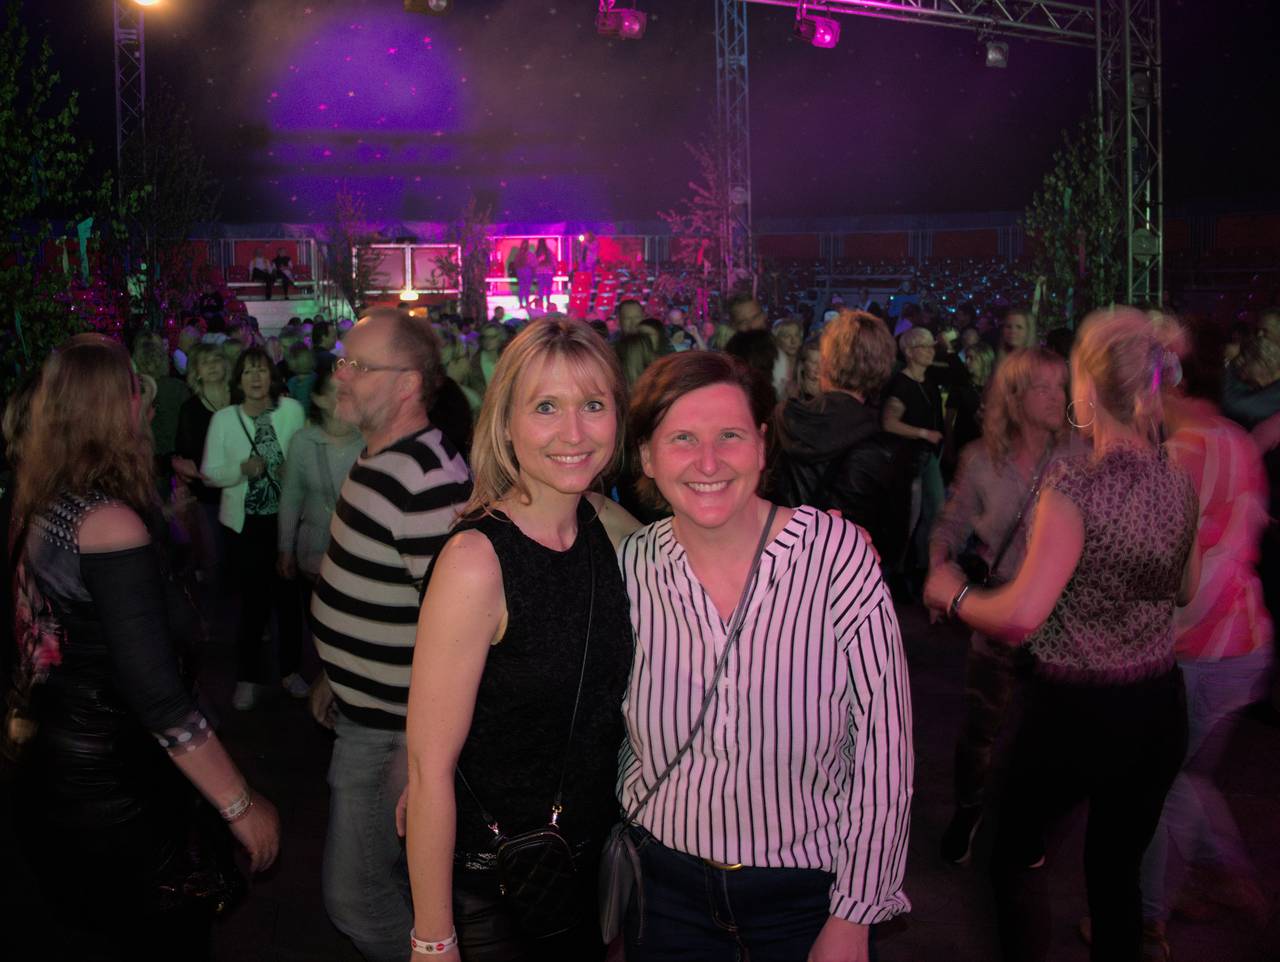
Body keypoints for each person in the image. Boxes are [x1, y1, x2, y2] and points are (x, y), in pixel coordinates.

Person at [924, 308, 1200, 962]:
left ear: (1087, 387)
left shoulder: (1074, 485)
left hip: (1079, 712)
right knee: (1116, 874)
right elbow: (1184, 591)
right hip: (1158, 707)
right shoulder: (1177, 478)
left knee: (1010, 855)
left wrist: (952, 594)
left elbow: (1022, 615)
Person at [619, 350, 913, 962]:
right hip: (664, 893)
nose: (707, 462)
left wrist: (855, 914)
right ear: (646, 456)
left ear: (760, 444)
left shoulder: (835, 557)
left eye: (729, 435)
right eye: (681, 438)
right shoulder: (631, 567)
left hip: (805, 898)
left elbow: (884, 749)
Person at [8, 334, 279, 960]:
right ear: (111, 407)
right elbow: (159, 697)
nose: (146, 401)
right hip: (111, 772)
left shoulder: (43, 499)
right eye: (134, 389)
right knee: (161, 935)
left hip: (57, 756)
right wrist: (240, 804)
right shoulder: (107, 523)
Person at [403, 317, 636, 961]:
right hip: (495, 888)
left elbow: (713, 556)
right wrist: (432, 939)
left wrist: (813, 537)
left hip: (583, 868)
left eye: (593, 405)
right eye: (546, 407)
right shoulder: (476, 561)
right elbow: (427, 769)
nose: (574, 432)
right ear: (505, 422)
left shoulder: (609, 526)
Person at [308, 308, 472, 962]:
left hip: (390, 734)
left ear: (407, 384)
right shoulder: (380, 457)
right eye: (342, 361)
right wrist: (337, 671)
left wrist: (417, 748)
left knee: (360, 899)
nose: (340, 376)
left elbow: (459, 634)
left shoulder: (427, 481)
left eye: (358, 365)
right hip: (367, 712)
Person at [1137, 320, 1274, 954]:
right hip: (1245, 642)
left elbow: (1192, 575)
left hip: (1203, 650)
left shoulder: (1181, 456)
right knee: (1188, 777)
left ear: (1162, 382)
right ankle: (1217, 877)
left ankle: (1149, 920)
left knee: (1165, 781)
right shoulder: (1233, 439)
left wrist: (1158, 640)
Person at [927, 348, 1077, 865]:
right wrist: (938, 567)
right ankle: (969, 810)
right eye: (1043, 388)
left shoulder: (1080, 455)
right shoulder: (981, 458)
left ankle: (1027, 822)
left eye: (1062, 386)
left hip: (1062, 615)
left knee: (1048, 731)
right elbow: (951, 523)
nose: (1057, 398)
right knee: (981, 725)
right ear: (1013, 397)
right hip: (997, 607)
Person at [201, 347, 307, 709]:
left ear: (271, 376)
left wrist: (291, 470)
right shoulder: (224, 419)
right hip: (245, 525)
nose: (255, 378)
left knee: (289, 601)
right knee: (253, 604)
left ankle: (290, 671)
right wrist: (241, 471)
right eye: (247, 372)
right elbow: (209, 473)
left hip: (286, 519)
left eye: (261, 370)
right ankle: (247, 677)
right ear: (238, 380)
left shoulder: (291, 411)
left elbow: (302, 457)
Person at [774, 309, 915, 578]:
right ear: (882, 368)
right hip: (847, 581)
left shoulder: (784, 417)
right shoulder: (887, 448)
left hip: (784, 573)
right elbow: (893, 544)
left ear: (826, 361)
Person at [277, 367, 363, 597]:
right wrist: (285, 548)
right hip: (315, 549)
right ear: (320, 399)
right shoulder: (304, 442)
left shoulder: (370, 441)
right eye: (341, 391)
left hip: (359, 551)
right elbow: (291, 498)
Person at [883, 326, 946, 588]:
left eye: (932, 345)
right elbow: (889, 422)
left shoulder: (927, 382)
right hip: (908, 460)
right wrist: (923, 433)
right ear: (909, 352)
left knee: (936, 510)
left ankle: (921, 566)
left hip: (926, 457)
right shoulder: (901, 384)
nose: (931, 351)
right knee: (909, 515)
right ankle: (896, 573)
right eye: (925, 346)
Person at [173, 343, 233, 595]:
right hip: (208, 495)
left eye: (216, 360)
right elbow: (186, 453)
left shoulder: (240, 400)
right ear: (196, 371)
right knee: (215, 558)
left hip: (243, 491)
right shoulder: (190, 409)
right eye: (205, 362)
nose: (212, 366)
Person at [944, 341, 996, 474]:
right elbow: (948, 421)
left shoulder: (995, 387)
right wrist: (949, 447)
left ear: (984, 359)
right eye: (966, 357)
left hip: (987, 447)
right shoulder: (960, 386)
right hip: (964, 442)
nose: (967, 362)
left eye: (972, 358)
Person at [771, 316, 804, 399]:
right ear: (776, 340)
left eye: (797, 335)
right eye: (786, 336)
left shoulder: (806, 363)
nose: (793, 341)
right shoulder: (770, 366)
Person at [534, 238, 556, 310]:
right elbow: (553, 262)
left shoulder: (537, 252)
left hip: (540, 272)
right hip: (548, 272)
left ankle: (540, 304)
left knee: (541, 288)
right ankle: (548, 303)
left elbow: (534, 263)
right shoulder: (548, 251)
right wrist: (554, 270)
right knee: (548, 288)